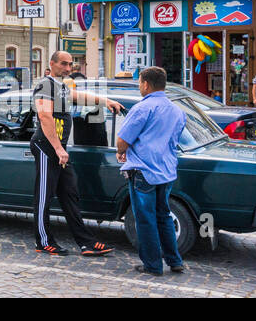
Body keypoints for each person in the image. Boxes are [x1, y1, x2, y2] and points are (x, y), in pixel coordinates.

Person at [30, 50, 123, 256]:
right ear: (52, 63)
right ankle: (43, 242)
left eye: (70, 64)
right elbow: (45, 116)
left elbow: (78, 96)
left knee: (69, 195)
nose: (68, 68)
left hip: (58, 150)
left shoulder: (60, 86)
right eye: (63, 64)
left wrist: (104, 101)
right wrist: (58, 148)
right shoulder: (45, 85)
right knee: (44, 197)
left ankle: (85, 242)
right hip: (46, 147)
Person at [116, 66, 187, 276]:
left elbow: (122, 140)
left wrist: (122, 152)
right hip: (166, 170)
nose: (139, 86)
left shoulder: (142, 108)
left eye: (139, 82)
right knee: (164, 215)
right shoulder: (177, 111)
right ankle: (175, 261)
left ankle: (153, 265)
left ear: (145, 84)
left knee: (145, 219)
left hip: (143, 171)